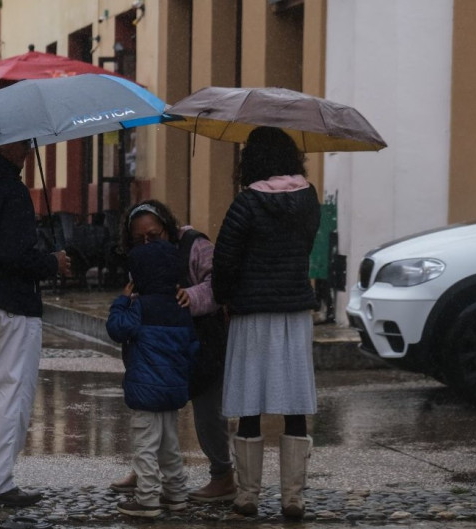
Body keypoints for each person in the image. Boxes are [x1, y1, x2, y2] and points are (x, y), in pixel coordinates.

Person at [211, 126, 321, 519]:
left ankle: (248, 496)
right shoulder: (309, 198)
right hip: (293, 312)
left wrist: (224, 297)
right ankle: (293, 497)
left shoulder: (246, 203)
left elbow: (224, 259)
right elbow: (305, 245)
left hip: (252, 312)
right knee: (294, 406)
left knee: (249, 406)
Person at [0, 141, 71, 508]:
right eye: (22, 146)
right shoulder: (12, 190)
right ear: (7, 145)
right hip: (12, 305)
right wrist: (52, 262)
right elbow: (14, 254)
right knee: (11, 393)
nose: (25, 154)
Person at [110, 199, 236, 503]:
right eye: (139, 239)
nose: (146, 243)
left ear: (167, 228)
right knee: (157, 416)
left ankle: (223, 476)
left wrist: (190, 297)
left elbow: (219, 282)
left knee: (207, 411)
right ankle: (146, 472)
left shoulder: (195, 245)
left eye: (153, 236)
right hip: (162, 345)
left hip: (203, 339)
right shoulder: (142, 257)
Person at [106, 239, 198, 518]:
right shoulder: (181, 306)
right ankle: (176, 495)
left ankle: (147, 499)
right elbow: (193, 347)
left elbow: (117, 329)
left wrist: (121, 302)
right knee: (169, 446)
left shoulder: (140, 306)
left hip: (146, 392)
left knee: (145, 446)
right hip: (172, 390)